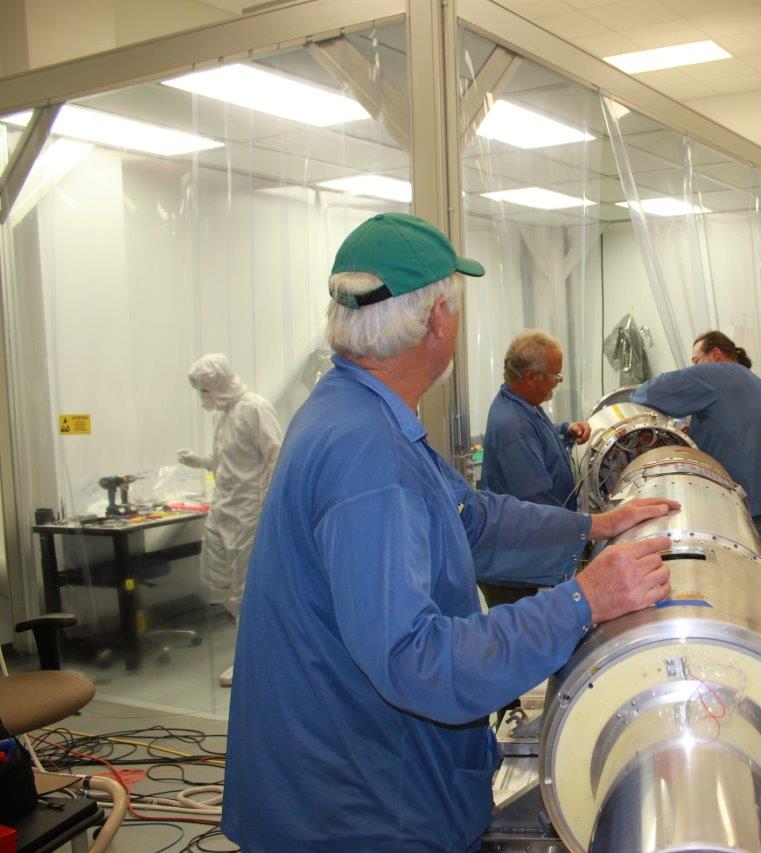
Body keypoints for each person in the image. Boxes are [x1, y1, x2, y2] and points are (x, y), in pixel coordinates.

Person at [221, 213, 677, 852]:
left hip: (349, 781)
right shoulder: (368, 457)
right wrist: (583, 601)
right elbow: (417, 661)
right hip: (361, 813)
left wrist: (590, 528)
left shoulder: (354, 412)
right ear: (439, 319)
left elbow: (470, 518)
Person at [631, 330, 761, 563]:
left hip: (743, 508)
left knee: (738, 587)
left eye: (695, 361)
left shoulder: (717, 374)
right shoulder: (756, 382)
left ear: (715, 354)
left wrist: (632, 395)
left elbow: (651, 392)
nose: (694, 367)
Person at [177, 353, 282, 687]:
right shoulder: (222, 416)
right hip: (222, 510)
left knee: (245, 587)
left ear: (219, 383)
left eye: (205, 389)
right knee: (220, 583)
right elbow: (226, 461)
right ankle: (247, 649)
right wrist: (200, 462)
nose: (203, 397)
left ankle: (257, 657)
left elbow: (277, 456)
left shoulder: (255, 408)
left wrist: (268, 506)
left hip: (249, 512)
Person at [479, 330, 591, 607]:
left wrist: (566, 431)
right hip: (511, 568)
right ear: (531, 377)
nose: (556, 383)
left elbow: (541, 438)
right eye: (555, 377)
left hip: (523, 557)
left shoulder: (524, 406)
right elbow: (537, 501)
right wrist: (586, 530)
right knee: (520, 639)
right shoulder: (512, 425)